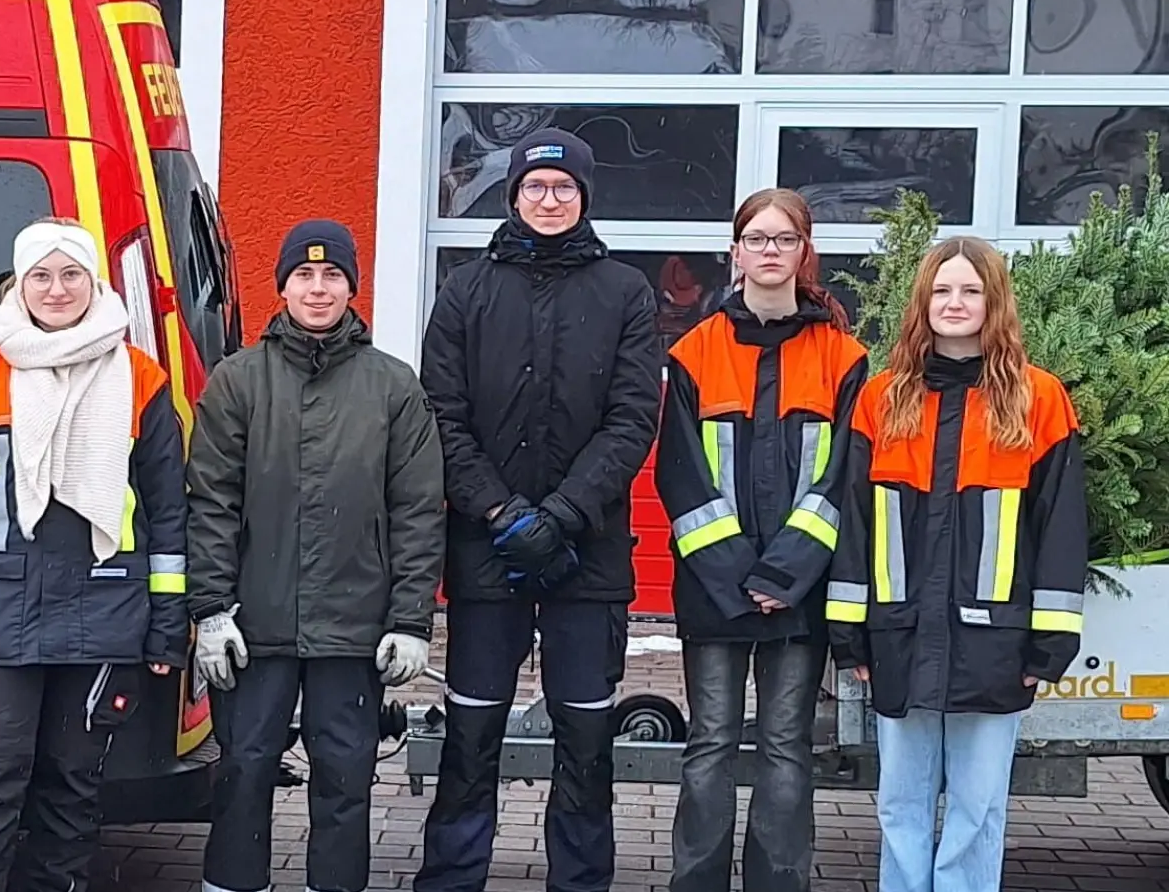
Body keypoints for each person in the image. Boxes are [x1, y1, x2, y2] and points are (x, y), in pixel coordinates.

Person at [414, 127, 663, 892]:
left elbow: (631, 420)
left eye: (563, 189)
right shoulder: (465, 290)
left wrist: (560, 514)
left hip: (586, 559)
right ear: (514, 195)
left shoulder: (626, 293)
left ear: (584, 197)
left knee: (586, 744)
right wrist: (500, 514)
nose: (547, 201)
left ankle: (580, 881)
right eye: (533, 188)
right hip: (487, 554)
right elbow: (440, 417)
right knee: (471, 735)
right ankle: (452, 878)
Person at [0, 217, 188, 892]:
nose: (56, 290)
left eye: (70, 275)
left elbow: (167, 506)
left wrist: (168, 618)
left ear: (92, 283)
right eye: (41, 275)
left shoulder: (140, 378)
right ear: (19, 284)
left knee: (71, 789)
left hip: (105, 612)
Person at [188, 218, 445, 892]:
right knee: (244, 768)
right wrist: (211, 611)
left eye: (333, 276)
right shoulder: (237, 381)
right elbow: (209, 502)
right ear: (282, 287)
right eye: (304, 274)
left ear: (352, 288)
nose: (319, 288)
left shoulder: (393, 387)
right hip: (255, 621)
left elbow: (418, 510)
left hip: (353, 625)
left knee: (345, 775)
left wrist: (410, 620)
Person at [826, 236, 1086, 892]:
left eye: (971, 290)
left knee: (978, 809)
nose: (955, 302)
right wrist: (850, 630)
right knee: (900, 805)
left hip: (993, 642)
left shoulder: (1039, 400)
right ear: (923, 302)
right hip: (900, 632)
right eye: (942, 290)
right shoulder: (882, 398)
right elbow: (855, 525)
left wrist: (1047, 643)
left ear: (994, 302)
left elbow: (1060, 533)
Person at [654, 188, 868, 892]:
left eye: (784, 239)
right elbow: (681, 476)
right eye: (757, 238)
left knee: (785, 749)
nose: (770, 251)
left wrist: (784, 575)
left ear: (804, 253)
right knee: (709, 745)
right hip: (717, 590)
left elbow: (842, 480)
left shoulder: (844, 358)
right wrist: (739, 573)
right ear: (736, 251)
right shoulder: (693, 351)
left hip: (797, 594)